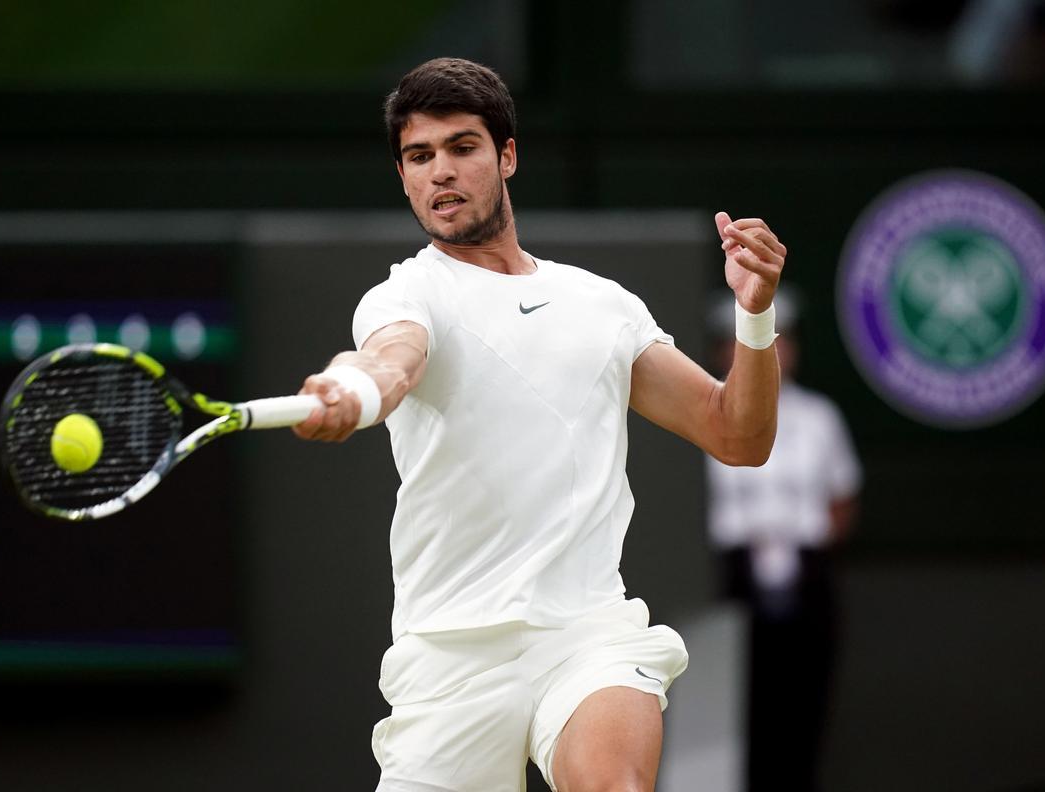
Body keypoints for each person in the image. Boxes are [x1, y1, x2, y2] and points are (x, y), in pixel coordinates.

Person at [292, 57, 787, 792]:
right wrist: (354, 388)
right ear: (403, 176)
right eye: (419, 157)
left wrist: (755, 315)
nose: (439, 173)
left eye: (462, 148)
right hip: (451, 656)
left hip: (586, 633)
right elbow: (390, 359)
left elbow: (738, 436)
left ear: (507, 155)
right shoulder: (407, 293)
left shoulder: (602, 304)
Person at [705, 288, 861, 792]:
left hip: (805, 578)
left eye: (781, 340)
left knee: (804, 706)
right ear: (723, 349)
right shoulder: (704, 407)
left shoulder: (820, 418)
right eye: (747, 341)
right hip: (729, 579)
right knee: (736, 707)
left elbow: (842, 497)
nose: (770, 351)